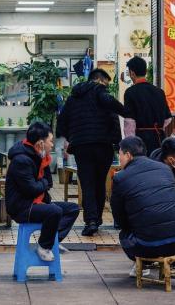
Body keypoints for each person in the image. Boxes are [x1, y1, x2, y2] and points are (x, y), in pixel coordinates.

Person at [111, 137, 175, 273]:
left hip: (147, 246)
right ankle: (170, 256)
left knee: (124, 234)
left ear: (128, 155)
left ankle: (144, 261)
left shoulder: (120, 177)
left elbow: (119, 218)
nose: (119, 158)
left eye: (120, 154)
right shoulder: (165, 169)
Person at [57, 68, 127, 236]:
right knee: (100, 182)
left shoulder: (73, 98)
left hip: (82, 147)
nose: (106, 87)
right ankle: (97, 218)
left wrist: (73, 137)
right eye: (106, 83)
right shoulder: (101, 93)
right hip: (103, 145)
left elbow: (61, 122)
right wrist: (117, 143)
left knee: (87, 183)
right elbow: (114, 119)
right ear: (99, 80)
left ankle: (91, 221)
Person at [5, 121, 80, 262]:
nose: (52, 145)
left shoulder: (40, 156)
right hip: (22, 207)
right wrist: (43, 183)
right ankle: (44, 247)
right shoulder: (21, 160)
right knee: (54, 211)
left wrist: (43, 170)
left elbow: (48, 183)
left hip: (36, 201)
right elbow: (32, 189)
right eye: (50, 141)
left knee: (73, 209)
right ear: (40, 143)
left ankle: (52, 240)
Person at [123, 56, 172, 155]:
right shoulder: (159, 92)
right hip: (159, 139)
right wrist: (156, 127)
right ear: (145, 71)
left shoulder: (130, 92)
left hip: (140, 140)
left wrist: (130, 146)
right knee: (157, 162)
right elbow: (168, 119)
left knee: (142, 163)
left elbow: (129, 122)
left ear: (132, 73)